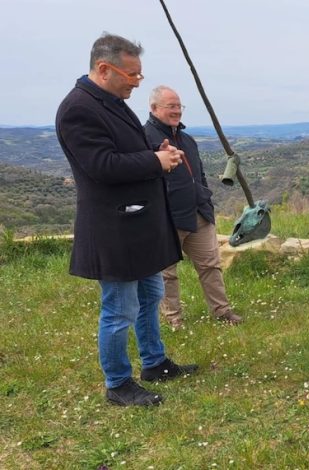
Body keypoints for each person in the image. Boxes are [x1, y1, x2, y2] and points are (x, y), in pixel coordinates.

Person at [55, 33, 197, 407]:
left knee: (151, 295)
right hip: (113, 228)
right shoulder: (78, 109)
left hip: (139, 225)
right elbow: (101, 165)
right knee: (119, 310)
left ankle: (154, 362)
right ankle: (118, 383)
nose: (137, 81)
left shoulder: (112, 103)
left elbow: (124, 151)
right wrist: (155, 162)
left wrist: (155, 150)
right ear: (104, 68)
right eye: (132, 74)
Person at [144, 85, 243, 328]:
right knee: (167, 273)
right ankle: (173, 319)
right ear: (154, 108)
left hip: (198, 212)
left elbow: (198, 173)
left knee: (211, 265)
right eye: (171, 106)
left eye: (179, 106)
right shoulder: (144, 138)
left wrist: (204, 197)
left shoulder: (187, 139)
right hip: (166, 217)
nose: (177, 110)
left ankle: (222, 311)